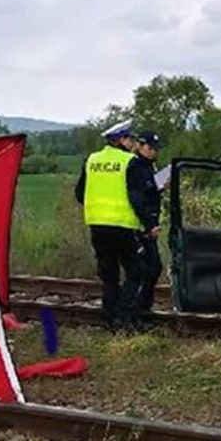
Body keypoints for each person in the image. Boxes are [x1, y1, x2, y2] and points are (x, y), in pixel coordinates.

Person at [75, 120, 144, 329]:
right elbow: (137, 198)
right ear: (121, 140)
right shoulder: (130, 161)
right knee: (135, 272)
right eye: (130, 139)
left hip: (97, 225)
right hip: (123, 226)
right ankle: (123, 318)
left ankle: (109, 316)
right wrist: (148, 224)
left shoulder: (91, 160)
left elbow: (80, 194)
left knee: (109, 274)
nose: (133, 143)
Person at [122, 129, 164, 329]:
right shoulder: (137, 167)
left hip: (147, 226)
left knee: (153, 268)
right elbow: (137, 199)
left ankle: (142, 312)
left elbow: (149, 194)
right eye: (150, 148)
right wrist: (150, 225)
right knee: (143, 271)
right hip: (140, 229)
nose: (153, 151)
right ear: (140, 146)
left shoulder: (148, 167)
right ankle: (134, 316)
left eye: (155, 149)